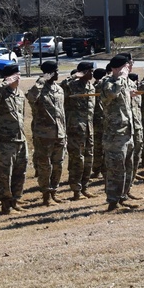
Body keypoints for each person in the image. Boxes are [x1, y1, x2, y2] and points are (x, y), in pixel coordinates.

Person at [0, 64, 28, 213]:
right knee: (5, 173)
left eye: (19, 75)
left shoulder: (20, 93)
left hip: (20, 139)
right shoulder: (1, 93)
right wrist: (5, 82)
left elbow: (21, 115)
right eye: (16, 75)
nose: (19, 78)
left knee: (20, 171)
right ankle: (5, 204)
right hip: (5, 140)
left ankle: (15, 200)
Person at [99, 55, 139, 211]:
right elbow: (111, 94)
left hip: (127, 131)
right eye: (125, 67)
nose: (128, 69)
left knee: (128, 166)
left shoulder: (124, 83)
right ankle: (112, 201)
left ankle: (123, 197)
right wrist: (122, 77)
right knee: (115, 168)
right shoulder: (107, 83)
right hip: (114, 134)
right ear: (115, 68)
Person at [26, 60, 67, 206]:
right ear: (48, 73)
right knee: (45, 166)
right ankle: (45, 194)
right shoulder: (38, 89)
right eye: (54, 71)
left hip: (60, 134)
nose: (57, 74)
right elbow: (31, 97)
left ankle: (54, 192)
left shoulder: (59, 89)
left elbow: (61, 113)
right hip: (44, 135)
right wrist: (41, 80)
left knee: (58, 165)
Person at [62, 61, 96, 199]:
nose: (92, 74)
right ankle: (76, 189)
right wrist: (74, 76)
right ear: (83, 72)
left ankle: (85, 187)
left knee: (88, 159)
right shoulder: (71, 85)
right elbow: (61, 87)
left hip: (89, 129)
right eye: (90, 71)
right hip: (75, 129)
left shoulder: (91, 87)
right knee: (77, 160)